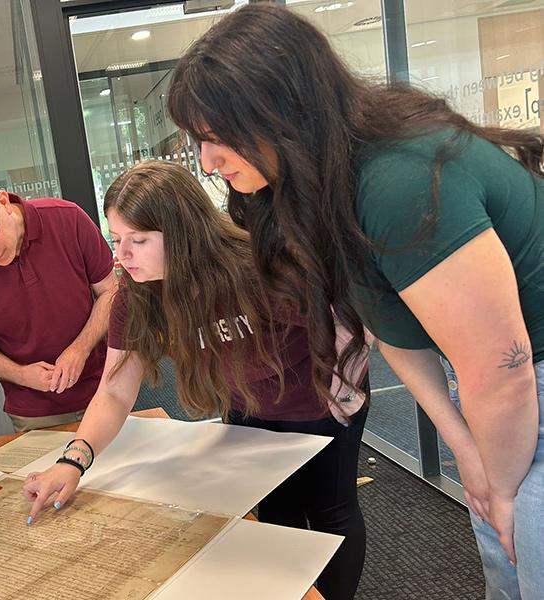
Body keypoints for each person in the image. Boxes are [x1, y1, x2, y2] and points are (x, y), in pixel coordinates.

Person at [165, 4, 544, 598]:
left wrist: (501, 487)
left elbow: (504, 372)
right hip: (496, 397)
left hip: (522, 388)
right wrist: (467, 452)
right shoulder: (324, 184)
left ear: (281, 114)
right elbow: (394, 332)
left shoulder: (398, 180)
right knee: (508, 570)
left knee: (522, 556)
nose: (207, 163)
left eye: (216, 139)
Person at [22, 161, 371, 600]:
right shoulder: (137, 297)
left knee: (328, 509)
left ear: (181, 233)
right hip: (248, 404)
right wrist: (73, 460)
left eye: (138, 240)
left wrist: (344, 392)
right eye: (116, 239)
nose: (122, 255)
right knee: (276, 510)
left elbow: (350, 323)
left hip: (319, 399)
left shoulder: (255, 268)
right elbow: (113, 390)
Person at [0, 169, 117, 432]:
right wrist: (20, 374)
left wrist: (80, 349)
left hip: (103, 389)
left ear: (4, 202)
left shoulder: (67, 219)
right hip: (32, 409)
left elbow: (110, 291)